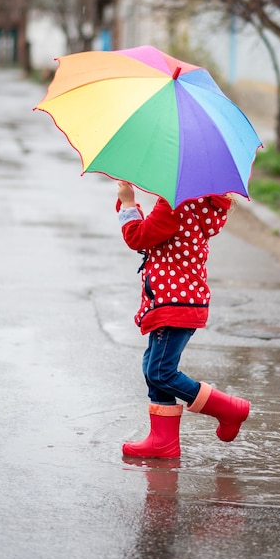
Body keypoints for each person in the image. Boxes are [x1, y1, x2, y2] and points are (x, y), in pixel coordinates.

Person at [117, 181, 250, 458]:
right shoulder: (201, 202)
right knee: (152, 368)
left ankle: (228, 409)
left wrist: (128, 204)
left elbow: (138, 237)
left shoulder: (175, 203)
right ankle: (163, 441)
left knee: (160, 372)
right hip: (183, 300)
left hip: (172, 302)